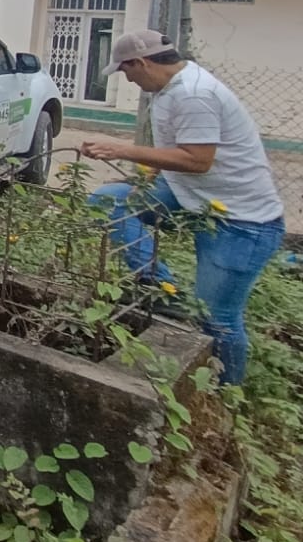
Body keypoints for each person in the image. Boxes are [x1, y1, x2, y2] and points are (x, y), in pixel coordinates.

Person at [81, 30, 285, 386]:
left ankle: (224, 395)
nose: (127, 79)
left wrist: (121, 149)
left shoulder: (195, 93)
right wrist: (147, 178)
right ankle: (164, 290)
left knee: (217, 317)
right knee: (109, 201)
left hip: (240, 221)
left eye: (126, 70)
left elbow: (198, 160)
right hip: (189, 196)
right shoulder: (167, 90)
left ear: (141, 63)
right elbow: (175, 148)